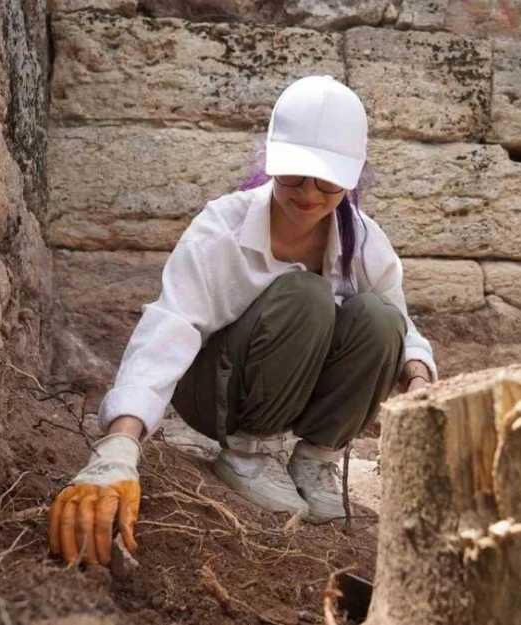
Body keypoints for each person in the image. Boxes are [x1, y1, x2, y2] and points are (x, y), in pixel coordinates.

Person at [48, 76, 437, 566]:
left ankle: (315, 458)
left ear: (353, 177)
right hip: (217, 392)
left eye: (328, 180)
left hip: (295, 383)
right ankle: (250, 453)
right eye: (295, 174)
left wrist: (419, 379)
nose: (309, 193)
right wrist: (120, 442)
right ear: (272, 160)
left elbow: (401, 321)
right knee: (308, 294)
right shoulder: (222, 229)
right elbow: (171, 326)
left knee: (379, 318)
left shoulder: (360, 237)